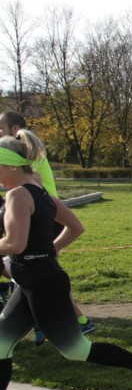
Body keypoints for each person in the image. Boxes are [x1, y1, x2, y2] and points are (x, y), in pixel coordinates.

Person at [0, 130, 132, 390]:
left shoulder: (18, 194)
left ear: (10, 164)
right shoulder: (40, 191)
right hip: (32, 282)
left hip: (44, 286)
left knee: (77, 350)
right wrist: (52, 249)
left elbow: (15, 244)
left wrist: (46, 250)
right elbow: (75, 228)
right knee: (0, 346)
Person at [0, 110, 94, 343]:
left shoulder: (22, 184)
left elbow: (15, 243)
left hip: (39, 219)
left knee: (43, 277)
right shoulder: (26, 173)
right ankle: (56, 322)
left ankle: (68, 322)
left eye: (2, 127)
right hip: (43, 218)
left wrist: (49, 248)